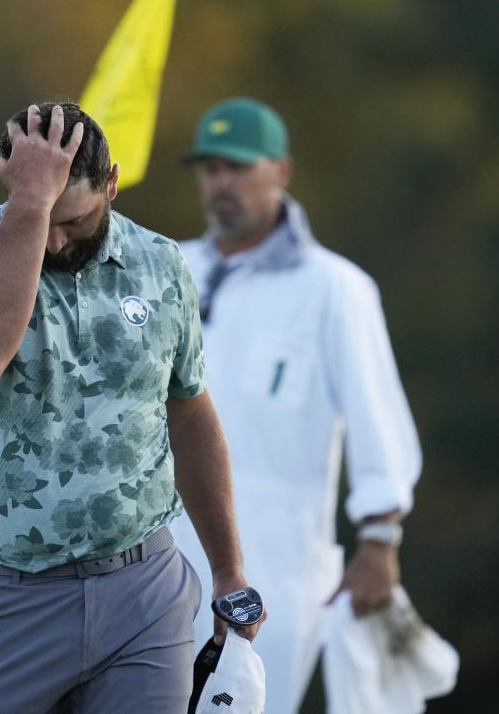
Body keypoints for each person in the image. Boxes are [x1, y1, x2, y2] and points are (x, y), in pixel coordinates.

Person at [0, 101, 263, 714]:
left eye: (71, 219)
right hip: (5, 593)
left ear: (112, 184)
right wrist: (29, 208)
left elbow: (190, 412)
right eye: (39, 215)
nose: (53, 239)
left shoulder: (161, 263)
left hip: (143, 591)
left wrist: (229, 570)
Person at [170, 97, 425, 713]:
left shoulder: (334, 289)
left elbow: (378, 419)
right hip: (157, 561)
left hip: (274, 572)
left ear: (280, 171)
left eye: (237, 166)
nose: (221, 182)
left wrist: (379, 539)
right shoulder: (166, 266)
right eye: (210, 168)